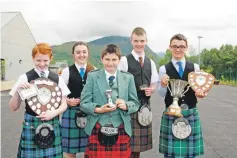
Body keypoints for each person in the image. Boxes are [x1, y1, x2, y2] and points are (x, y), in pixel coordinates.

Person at [9, 43, 70, 158]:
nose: (42, 64)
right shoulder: (25, 77)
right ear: (33, 59)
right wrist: (17, 91)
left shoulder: (57, 78)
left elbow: (64, 104)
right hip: (32, 124)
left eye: (45, 60)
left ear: (51, 59)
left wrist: (55, 113)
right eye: (38, 60)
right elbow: (13, 107)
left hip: (52, 123)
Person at [80, 44, 140, 158]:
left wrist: (126, 105)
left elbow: (135, 103)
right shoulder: (93, 76)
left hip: (121, 125)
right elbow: (84, 103)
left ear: (119, 60)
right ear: (102, 59)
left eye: (114, 59)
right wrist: (99, 109)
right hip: (97, 125)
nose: (110, 63)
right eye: (107, 59)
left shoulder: (128, 78)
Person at [158, 34, 206, 158]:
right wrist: (163, 85)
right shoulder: (163, 69)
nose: (178, 49)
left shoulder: (195, 67)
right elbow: (161, 94)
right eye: (174, 46)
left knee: (190, 155)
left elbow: (198, 90)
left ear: (186, 47)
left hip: (190, 112)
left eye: (181, 46)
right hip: (171, 113)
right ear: (169, 47)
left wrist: (200, 93)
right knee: (170, 155)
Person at [118, 27, 159, 158]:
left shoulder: (150, 62)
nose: (139, 44)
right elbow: (118, 83)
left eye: (142, 41)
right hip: (128, 107)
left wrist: (151, 89)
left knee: (137, 148)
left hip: (144, 107)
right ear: (131, 41)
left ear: (146, 41)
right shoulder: (124, 61)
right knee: (126, 145)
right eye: (136, 41)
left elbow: (154, 82)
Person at [60, 41, 95, 158]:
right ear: (73, 55)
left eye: (84, 52)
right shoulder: (66, 72)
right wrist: (67, 101)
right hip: (71, 112)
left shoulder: (94, 70)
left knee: (90, 150)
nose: (81, 55)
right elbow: (60, 94)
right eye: (78, 52)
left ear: (88, 53)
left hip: (90, 114)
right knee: (70, 152)